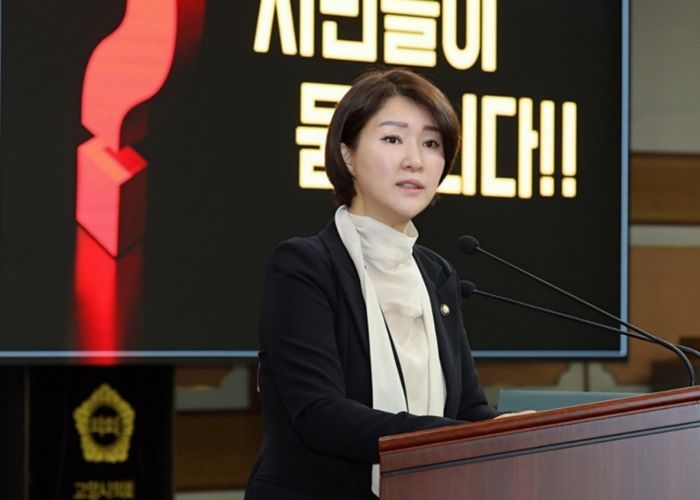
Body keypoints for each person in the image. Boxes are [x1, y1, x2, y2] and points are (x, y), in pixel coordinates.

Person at [245, 68, 501, 500]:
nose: (415, 160)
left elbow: (467, 408)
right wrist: (454, 438)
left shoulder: (436, 275)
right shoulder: (305, 266)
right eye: (393, 138)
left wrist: (516, 431)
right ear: (347, 155)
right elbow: (321, 415)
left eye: (431, 143)